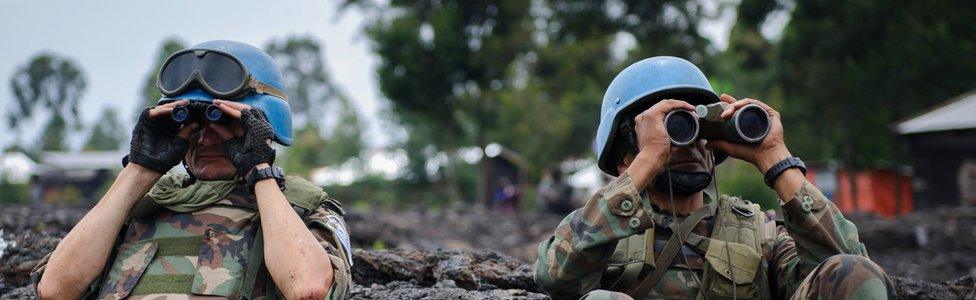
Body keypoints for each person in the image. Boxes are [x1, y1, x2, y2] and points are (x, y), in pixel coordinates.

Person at [534, 56, 895, 299]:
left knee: (853, 270)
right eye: (674, 130)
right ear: (626, 154)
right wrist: (647, 161)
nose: (690, 145)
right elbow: (556, 277)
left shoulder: (760, 232)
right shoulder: (602, 231)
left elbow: (853, 275)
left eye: (696, 129)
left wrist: (775, 157)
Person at [31, 40, 352, 299]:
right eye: (191, 123)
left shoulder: (300, 207)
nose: (205, 136)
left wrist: (259, 170)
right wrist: (139, 170)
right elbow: (56, 290)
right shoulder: (137, 205)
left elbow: (309, 290)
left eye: (222, 120)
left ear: (264, 125)